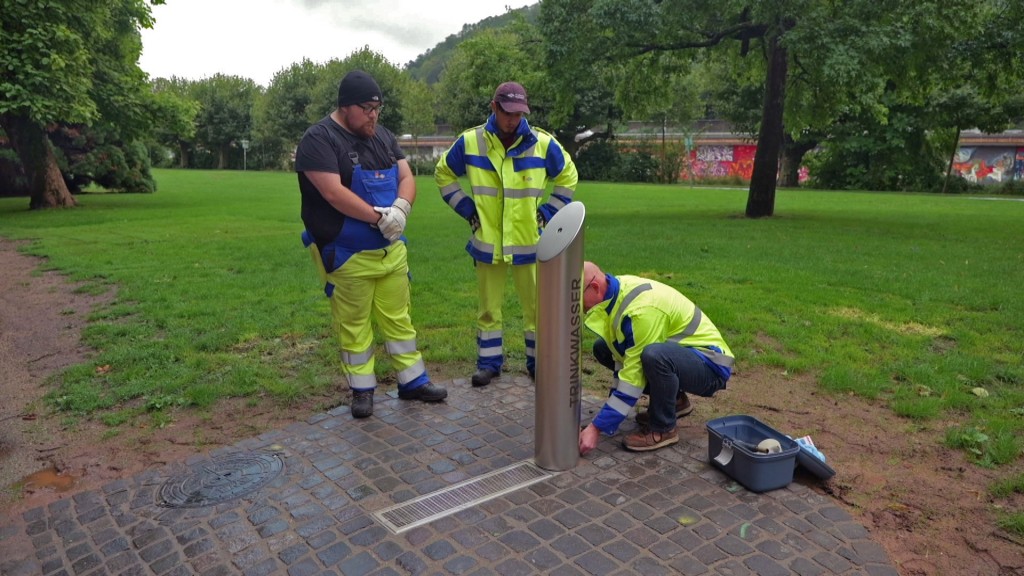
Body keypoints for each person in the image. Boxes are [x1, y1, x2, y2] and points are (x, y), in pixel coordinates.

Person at [294, 70, 447, 419]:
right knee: (354, 323)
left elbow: (406, 175)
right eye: (367, 108)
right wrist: (379, 218)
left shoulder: (383, 137)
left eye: (378, 108)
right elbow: (332, 193)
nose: (374, 115)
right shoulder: (319, 140)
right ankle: (362, 390)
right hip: (345, 253)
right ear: (346, 107)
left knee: (399, 319)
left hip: (391, 251)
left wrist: (401, 209)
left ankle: (413, 381)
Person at [434, 81, 579, 387]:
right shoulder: (471, 141)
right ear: (494, 108)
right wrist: (467, 209)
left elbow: (569, 174)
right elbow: (443, 172)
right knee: (488, 309)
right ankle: (489, 364)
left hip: (530, 242)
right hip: (488, 243)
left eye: (519, 113)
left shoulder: (542, 143)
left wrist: (548, 213)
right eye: (507, 112)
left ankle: (538, 362)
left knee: (537, 308)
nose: (513, 119)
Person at [577, 261, 734, 454]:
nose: (576, 305)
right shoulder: (615, 295)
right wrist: (605, 419)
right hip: (685, 357)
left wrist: (596, 428)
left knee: (654, 356)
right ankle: (675, 401)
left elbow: (632, 378)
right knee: (602, 348)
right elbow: (623, 359)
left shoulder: (640, 312)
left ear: (594, 287)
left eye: (576, 297)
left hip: (711, 365)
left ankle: (663, 428)